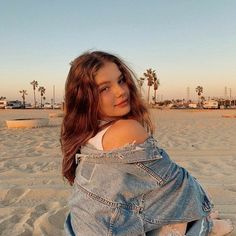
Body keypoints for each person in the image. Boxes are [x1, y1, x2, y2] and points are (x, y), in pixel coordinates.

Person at [61, 51, 233, 236]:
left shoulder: (87, 130)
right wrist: (201, 211)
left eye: (120, 81)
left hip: (79, 227)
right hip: (108, 229)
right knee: (174, 191)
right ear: (85, 98)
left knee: (143, 189)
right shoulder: (126, 129)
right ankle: (205, 226)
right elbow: (177, 183)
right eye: (104, 88)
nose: (121, 91)